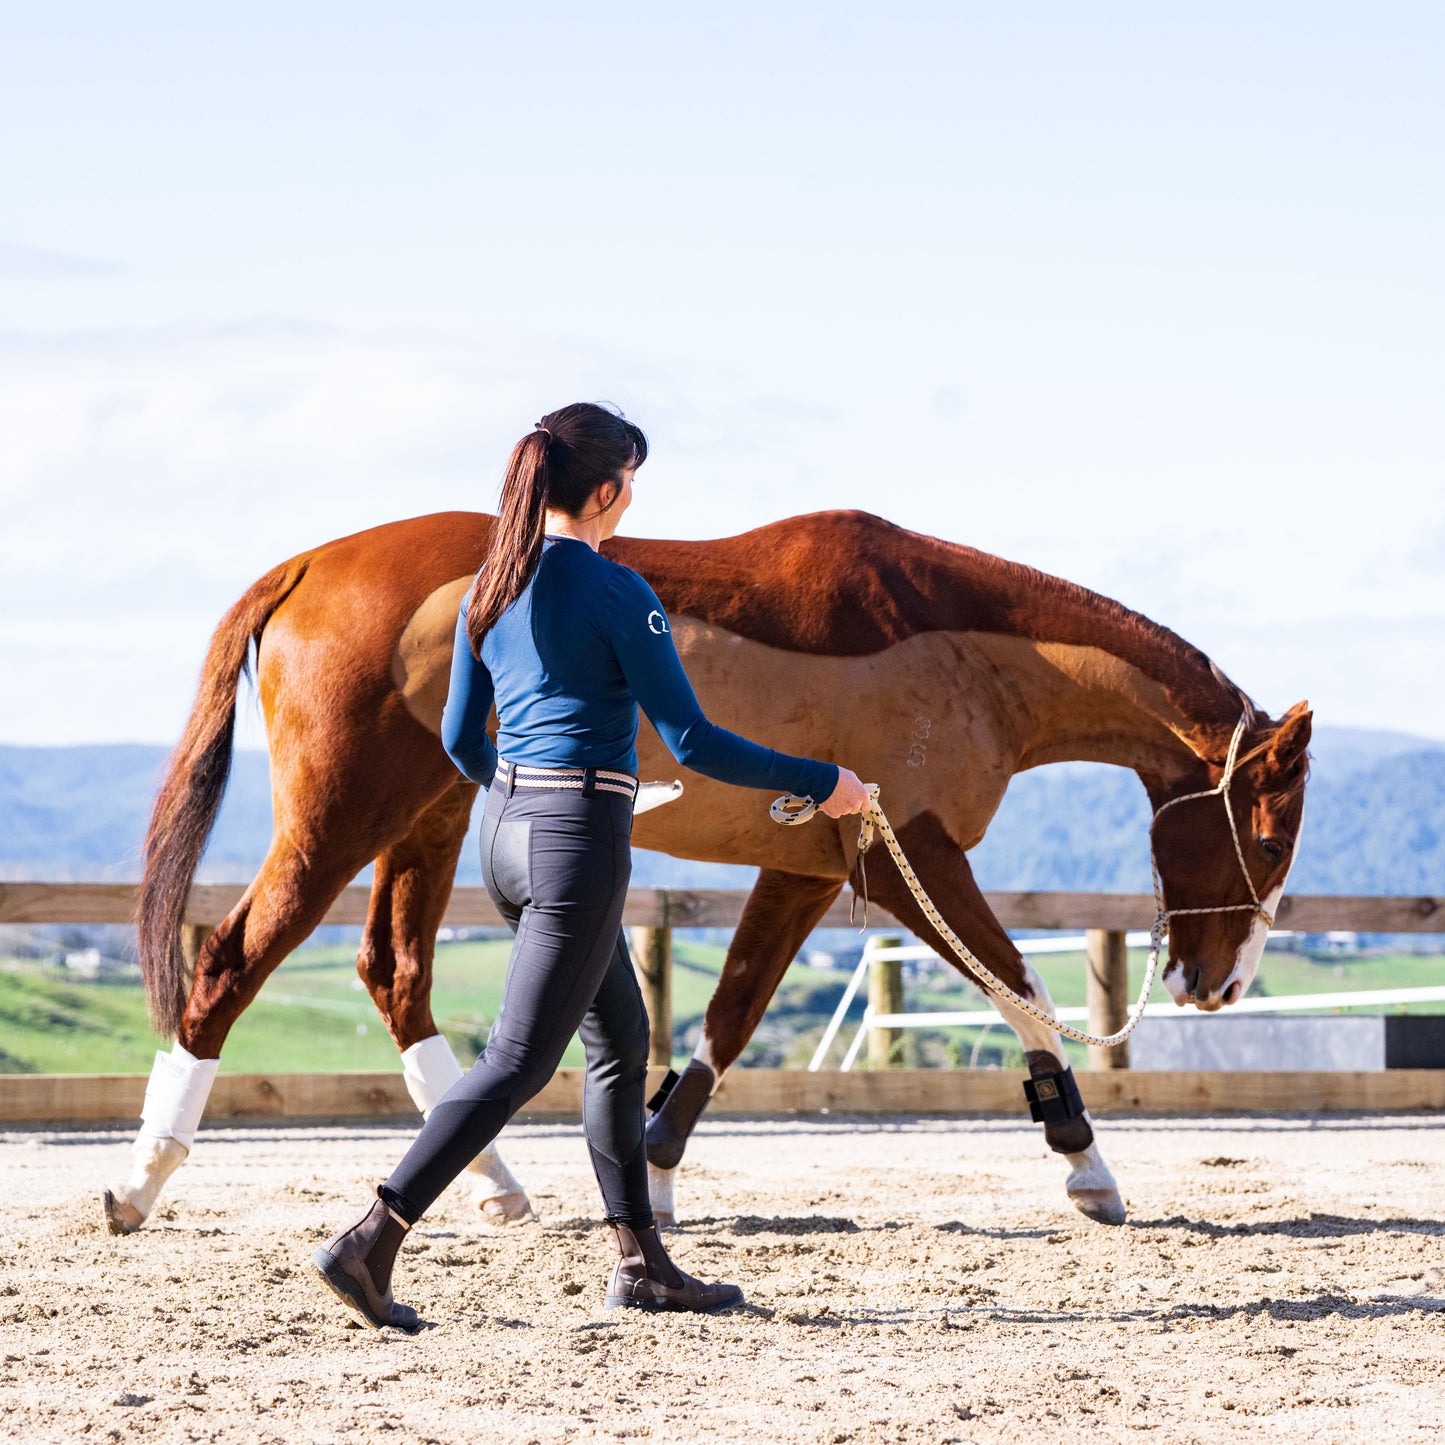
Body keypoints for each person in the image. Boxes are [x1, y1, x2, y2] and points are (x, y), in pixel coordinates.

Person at [308, 402, 871, 1329]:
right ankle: (372, 1236)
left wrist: (524, 796)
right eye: (631, 484)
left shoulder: (489, 586)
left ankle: (640, 1259)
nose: (631, 500)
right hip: (576, 842)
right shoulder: (619, 591)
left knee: (618, 1033)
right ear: (607, 490)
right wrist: (824, 781)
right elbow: (691, 739)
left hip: (506, 833)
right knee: (517, 1061)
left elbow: (457, 738)